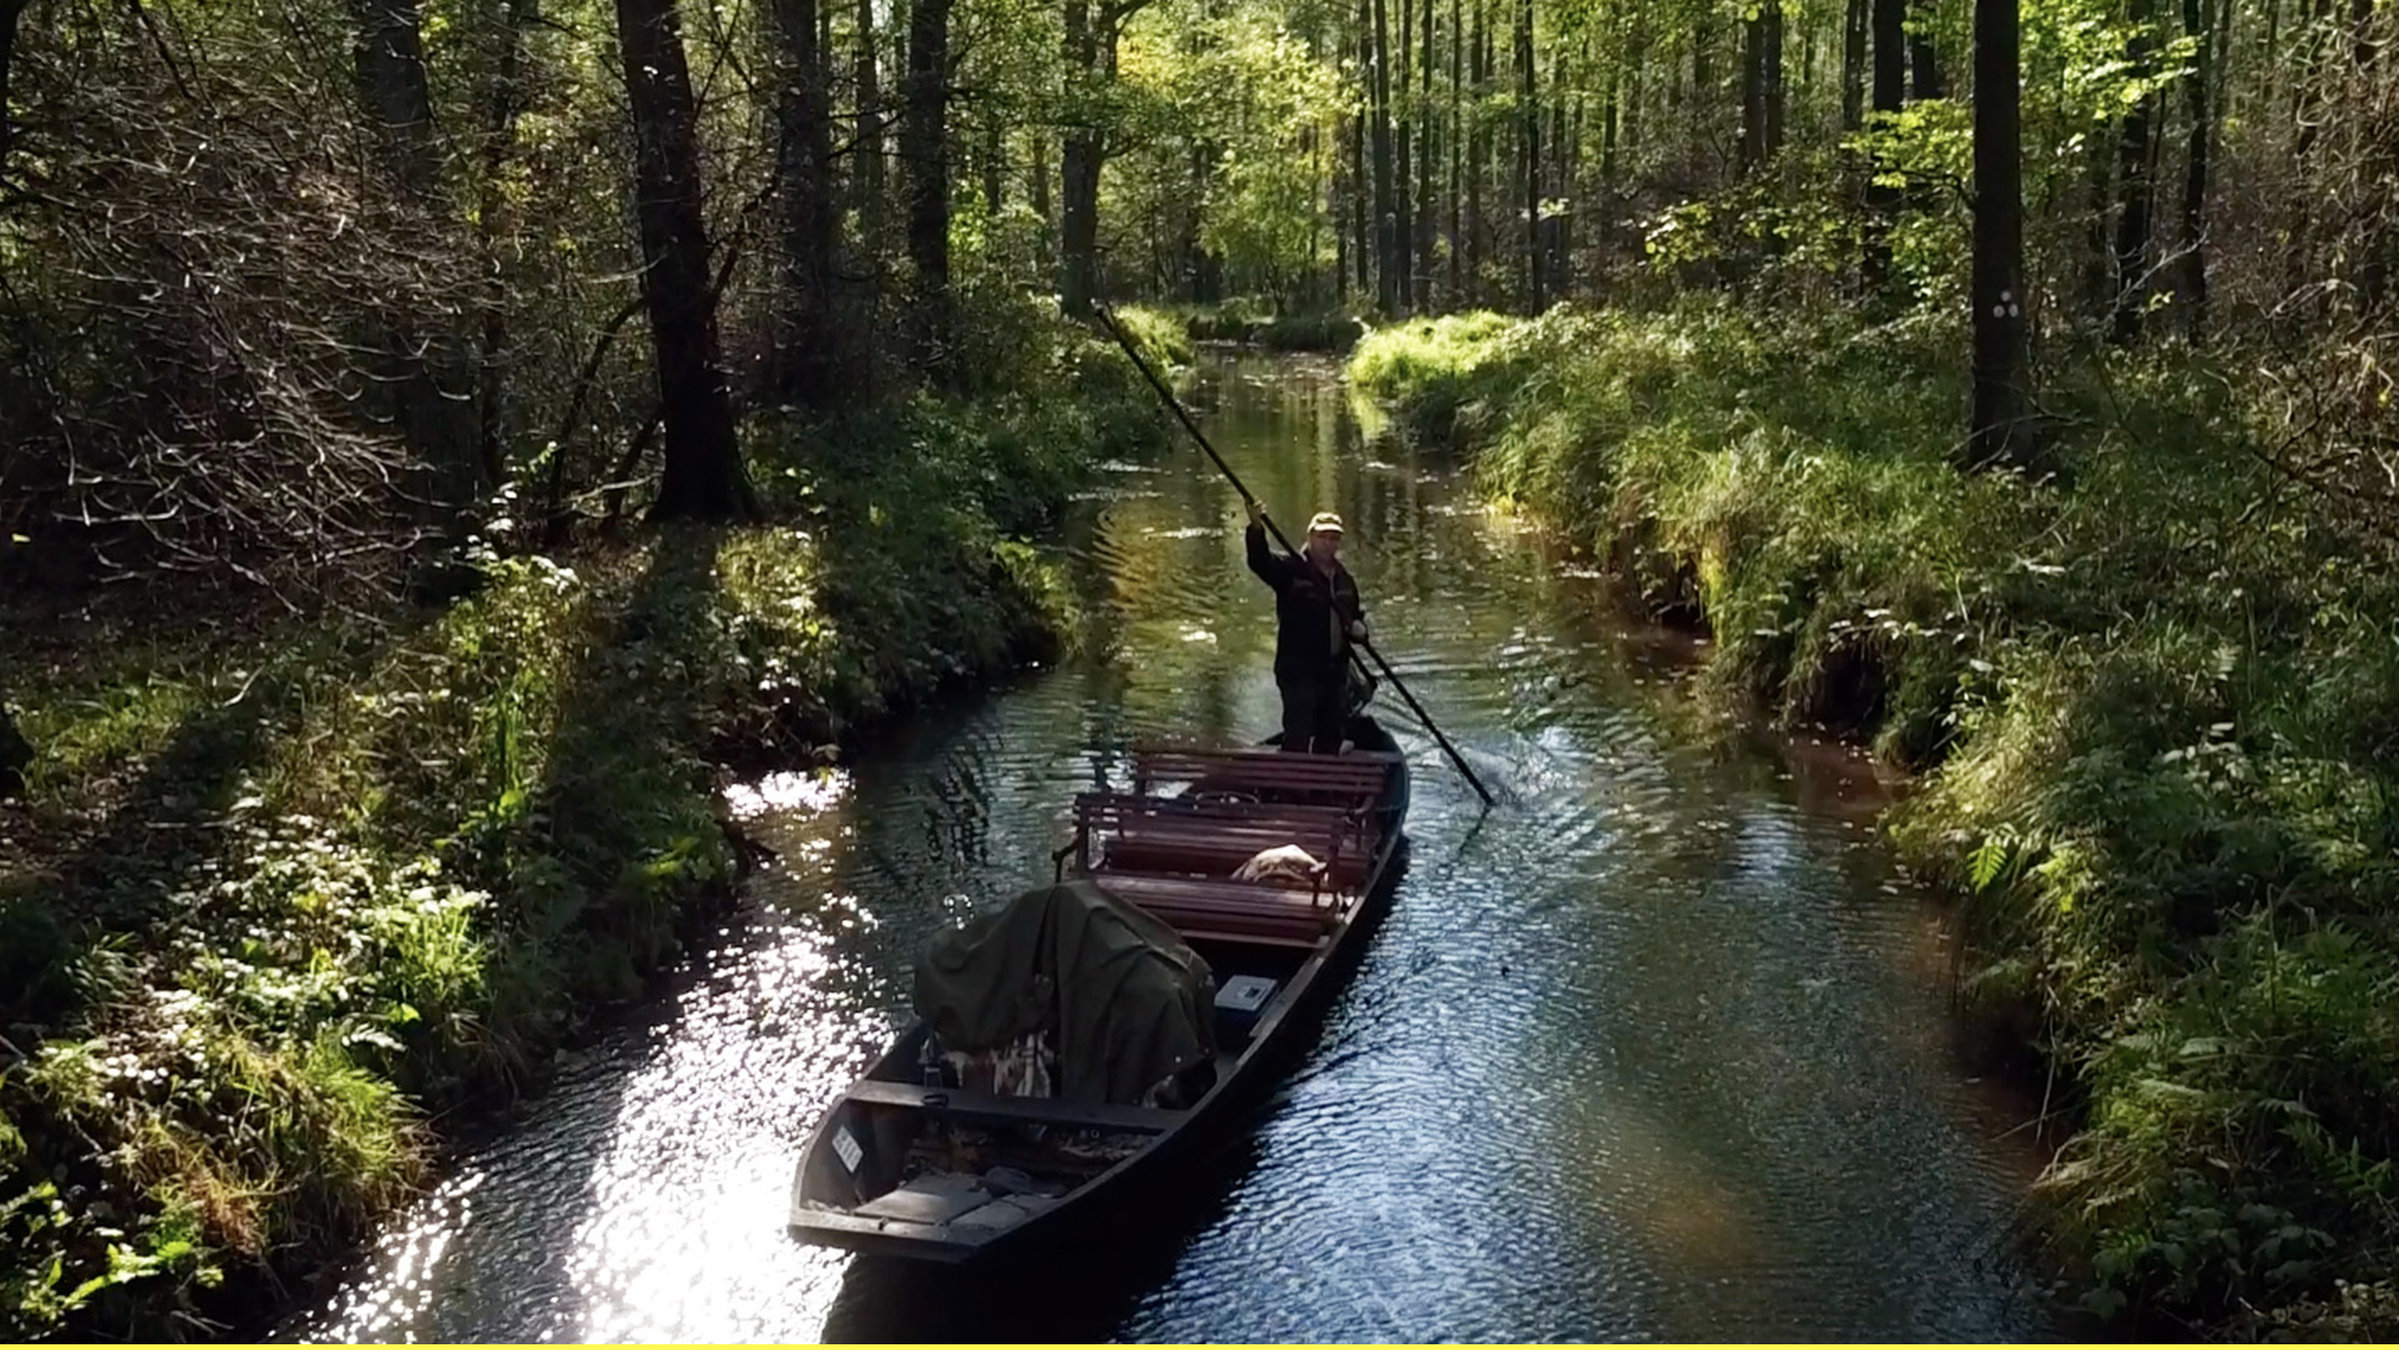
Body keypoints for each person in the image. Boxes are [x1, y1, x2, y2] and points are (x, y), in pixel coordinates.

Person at [1244, 498, 1367, 754]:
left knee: (1331, 738)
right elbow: (1259, 561)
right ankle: (1294, 777)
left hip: (1334, 673)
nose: (1328, 543)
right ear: (1310, 537)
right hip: (1298, 672)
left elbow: (1354, 617)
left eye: (1334, 538)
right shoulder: (1291, 570)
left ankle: (1326, 777)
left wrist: (1360, 630)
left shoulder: (1345, 580)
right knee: (1298, 738)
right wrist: (1256, 527)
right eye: (1322, 537)